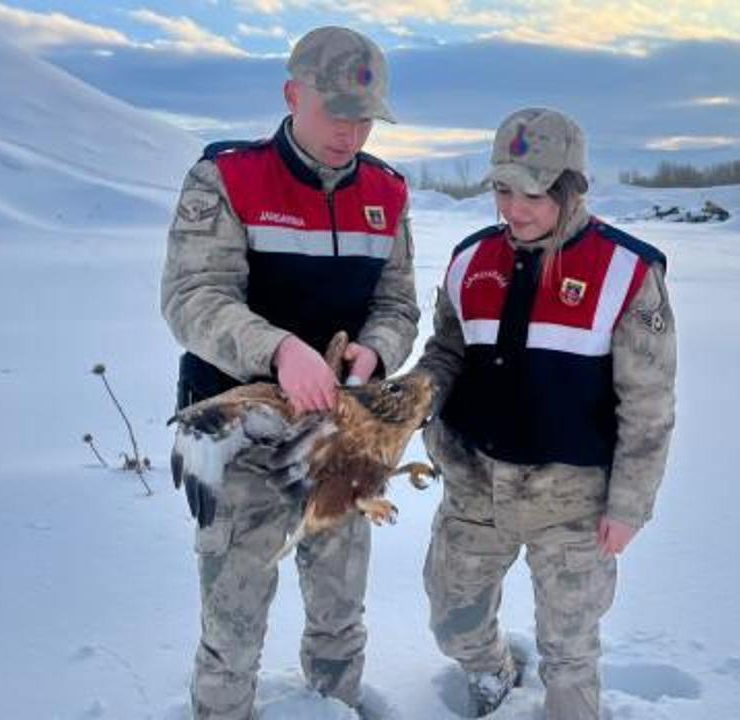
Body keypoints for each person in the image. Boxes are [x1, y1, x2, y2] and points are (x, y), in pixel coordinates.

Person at [159, 26, 419, 719]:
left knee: (340, 603)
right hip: (236, 430)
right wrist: (278, 349)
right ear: (291, 94)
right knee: (233, 614)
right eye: (335, 112)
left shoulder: (387, 192)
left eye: (364, 117)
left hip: (340, 435)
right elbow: (192, 298)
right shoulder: (228, 177)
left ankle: (333, 704)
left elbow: (397, 303)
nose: (350, 131)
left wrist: (377, 350)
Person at [414, 107, 677, 719]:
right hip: (475, 486)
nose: (514, 208)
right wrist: (417, 395)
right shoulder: (469, 259)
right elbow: (447, 350)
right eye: (503, 189)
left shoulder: (627, 271)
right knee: (451, 621)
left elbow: (648, 404)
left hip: (574, 501)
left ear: (571, 187)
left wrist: (629, 505)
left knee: (570, 655)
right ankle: (492, 672)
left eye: (533, 192)